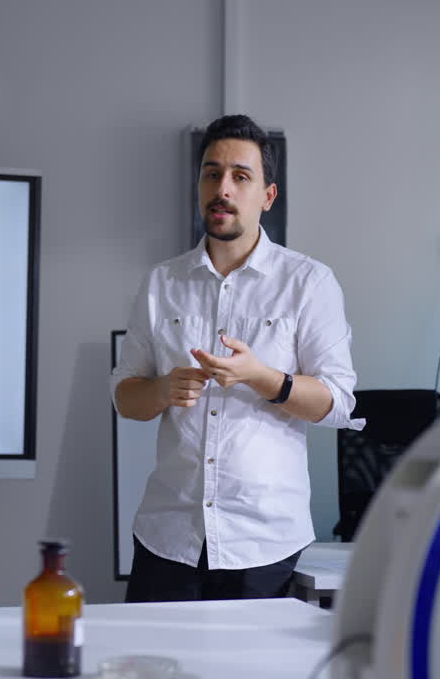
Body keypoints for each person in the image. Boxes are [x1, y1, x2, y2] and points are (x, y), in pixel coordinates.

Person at [110, 114, 364, 602]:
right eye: (211, 173)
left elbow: (338, 403)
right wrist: (163, 390)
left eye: (240, 177)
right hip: (168, 538)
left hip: (263, 544)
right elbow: (126, 397)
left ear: (268, 196)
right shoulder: (162, 283)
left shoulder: (308, 283)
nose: (222, 188)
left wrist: (262, 377)